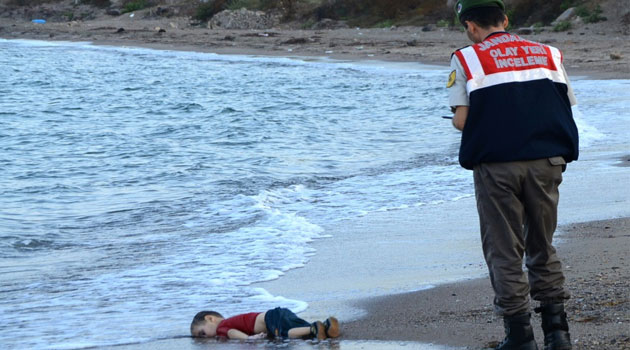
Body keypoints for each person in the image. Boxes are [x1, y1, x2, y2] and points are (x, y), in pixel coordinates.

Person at [447, 1, 579, 349]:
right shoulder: (549, 53)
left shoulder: (466, 58)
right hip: (547, 162)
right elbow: (566, 103)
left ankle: (519, 336)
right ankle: (557, 333)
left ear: (470, 26)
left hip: (498, 167)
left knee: (504, 249)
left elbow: (462, 120)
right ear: (505, 20)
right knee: (542, 244)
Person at [190, 307, 340, 341]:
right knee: (299, 329)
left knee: (285, 334)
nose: (204, 338)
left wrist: (248, 339)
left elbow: (231, 333)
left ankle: (314, 328)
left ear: (210, 319)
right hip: (278, 313)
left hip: (270, 319)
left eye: (202, 333)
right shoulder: (232, 320)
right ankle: (325, 327)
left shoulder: (222, 327)